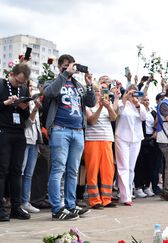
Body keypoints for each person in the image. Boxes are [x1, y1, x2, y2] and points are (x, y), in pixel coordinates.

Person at [44, 54, 96, 220]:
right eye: (66, 65)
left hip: (78, 131)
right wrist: (65, 74)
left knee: (73, 171)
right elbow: (50, 93)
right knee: (58, 169)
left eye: (71, 65)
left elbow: (91, 102)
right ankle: (57, 209)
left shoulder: (77, 84)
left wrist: (89, 84)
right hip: (60, 130)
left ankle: (70, 205)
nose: (70, 68)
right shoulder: (52, 82)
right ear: (61, 67)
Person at [0, 63, 31, 221]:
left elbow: (26, 116)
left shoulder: (24, 90)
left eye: (22, 83)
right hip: (3, 131)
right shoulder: (1, 84)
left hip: (19, 132)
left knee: (17, 171)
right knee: (2, 170)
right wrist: (6, 103)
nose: (19, 85)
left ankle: (16, 207)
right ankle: (0, 208)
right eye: (17, 81)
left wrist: (24, 107)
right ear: (11, 74)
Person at [83, 82, 118, 209]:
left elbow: (114, 118)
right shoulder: (87, 106)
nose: (98, 95)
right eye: (96, 93)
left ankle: (106, 199)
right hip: (92, 140)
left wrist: (108, 107)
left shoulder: (106, 105)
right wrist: (100, 108)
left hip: (107, 140)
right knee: (92, 171)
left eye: (100, 93)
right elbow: (91, 121)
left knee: (108, 170)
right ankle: (94, 200)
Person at [115, 84, 146, 205]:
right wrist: (124, 98)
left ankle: (128, 192)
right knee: (123, 167)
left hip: (136, 138)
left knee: (131, 167)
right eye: (130, 93)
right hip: (122, 137)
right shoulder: (123, 104)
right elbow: (118, 112)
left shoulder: (139, 105)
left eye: (134, 93)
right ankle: (125, 196)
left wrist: (137, 104)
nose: (132, 95)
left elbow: (143, 118)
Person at [21, 80, 42, 214]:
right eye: (28, 86)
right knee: (20, 173)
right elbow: (27, 124)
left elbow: (37, 125)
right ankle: (18, 202)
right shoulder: (22, 103)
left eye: (31, 87)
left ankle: (25, 201)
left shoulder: (34, 102)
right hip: (24, 140)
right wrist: (34, 109)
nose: (30, 89)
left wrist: (39, 141)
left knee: (29, 174)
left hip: (34, 141)